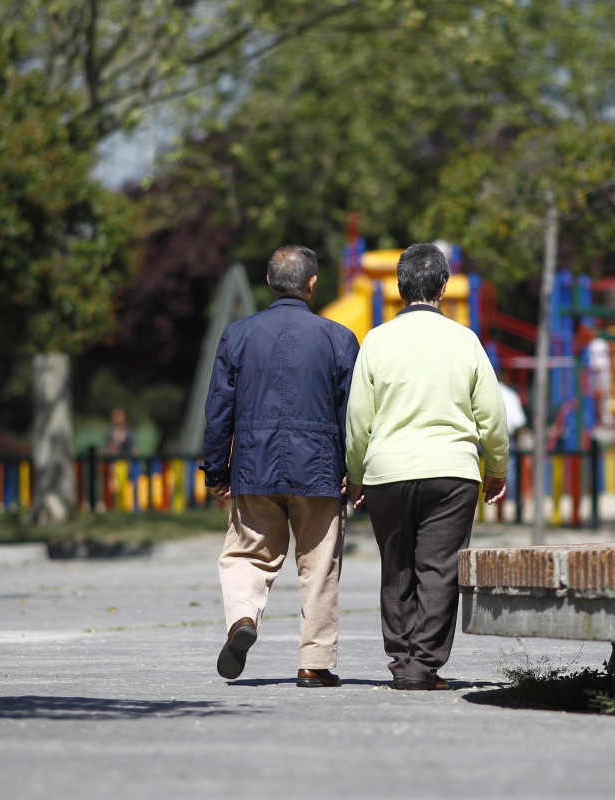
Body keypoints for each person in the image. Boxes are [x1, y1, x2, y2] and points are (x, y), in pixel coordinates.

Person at [345, 243, 509, 691]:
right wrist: (496, 467)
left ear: (399, 289)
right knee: (438, 569)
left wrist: (356, 474)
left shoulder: (375, 341)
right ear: (442, 285)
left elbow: (359, 419)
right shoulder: (466, 340)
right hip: (452, 472)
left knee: (395, 567)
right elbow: (491, 416)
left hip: (388, 472)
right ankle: (424, 667)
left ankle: (402, 661)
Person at [201, 244, 360, 689]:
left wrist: (216, 469)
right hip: (320, 470)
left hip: (254, 465)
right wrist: (353, 468)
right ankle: (314, 663)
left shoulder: (238, 335)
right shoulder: (339, 338)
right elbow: (353, 412)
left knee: (247, 555)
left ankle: (242, 619)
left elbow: (218, 408)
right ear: (312, 283)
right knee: (320, 566)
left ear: (270, 283)